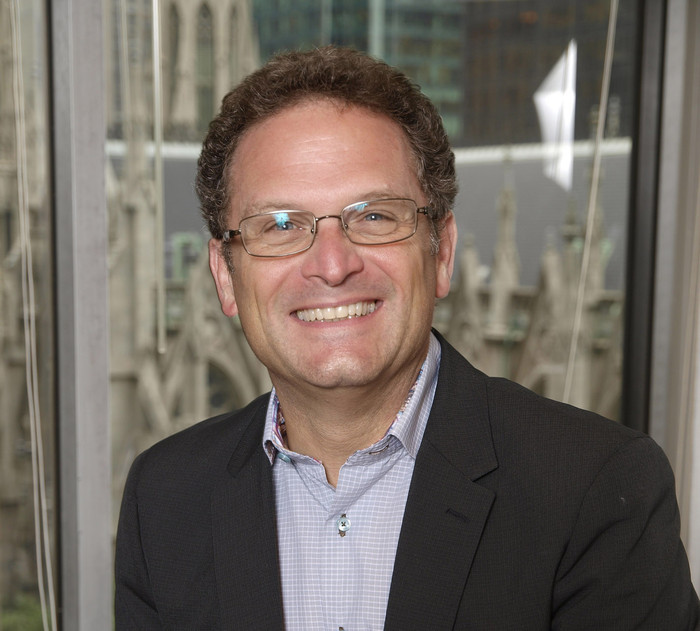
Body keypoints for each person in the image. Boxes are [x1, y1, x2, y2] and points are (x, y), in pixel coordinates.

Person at [115, 46, 699, 630]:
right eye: (281, 225)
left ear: (441, 253)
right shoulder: (164, 498)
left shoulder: (596, 489)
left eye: (374, 216)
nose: (333, 265)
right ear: (224, 277)